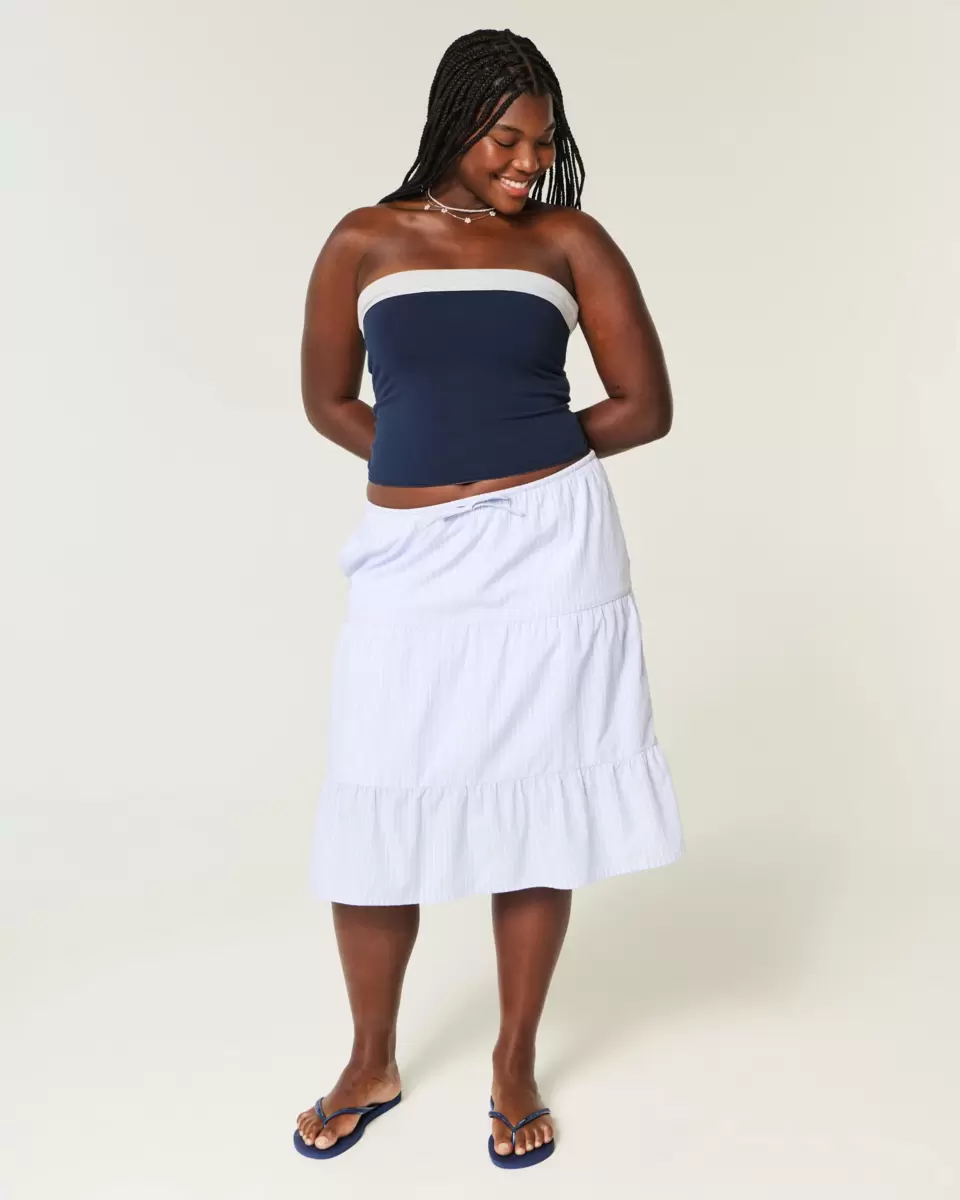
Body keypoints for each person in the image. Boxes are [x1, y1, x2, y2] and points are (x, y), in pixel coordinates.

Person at [293, 27, 684, 1169]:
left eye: (543, 143)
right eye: (507, 138)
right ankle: (371, 1058)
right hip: (412, 551)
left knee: (536, 793)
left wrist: (523, 457)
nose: (527, 162)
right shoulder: (363, 240)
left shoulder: (567, 241)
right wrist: (426, 463)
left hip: (551, 546)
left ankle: (514, 1061)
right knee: (379, 790)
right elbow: (328, 399)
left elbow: (646, 404)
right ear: (454, 122)